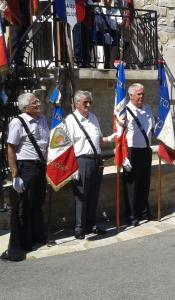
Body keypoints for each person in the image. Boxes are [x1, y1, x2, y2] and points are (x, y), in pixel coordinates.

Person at [1, 93, 49, 261]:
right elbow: (11, 148)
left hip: (40, 166)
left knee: (37, 203)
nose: (38, 103)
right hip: (26, 167)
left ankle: (35, 238)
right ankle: (19, 246)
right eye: (34, 102)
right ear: (24, 107)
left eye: (37, 101)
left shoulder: (42, 118)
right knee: (22, 208)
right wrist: (15, 175)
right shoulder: (17, 122)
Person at [65, 91, 114, 239]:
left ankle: (91, 224)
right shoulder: (70, 120)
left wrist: (111, 138)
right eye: (85, 102)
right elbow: (67, 146)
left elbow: (98, 140)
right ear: (76, 103)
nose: (88, 105)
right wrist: (72, 168)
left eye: (90, 102)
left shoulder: (93, 117)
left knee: (93, 194)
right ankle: (79, 227)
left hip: (96, 160)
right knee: (81, 195)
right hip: (82, 161)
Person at [122, 83, 155, 226]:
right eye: (138, 94)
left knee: (144, 183)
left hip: (145, 150)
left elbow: (153, 128)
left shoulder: (147, 110)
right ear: (131, 95)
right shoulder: (124, 112)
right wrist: (123, 156)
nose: (141, 96)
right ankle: (131, 215)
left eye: (143, 94)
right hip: (131, 151)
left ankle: (143, 211)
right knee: (132, 185)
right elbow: (119, 136)